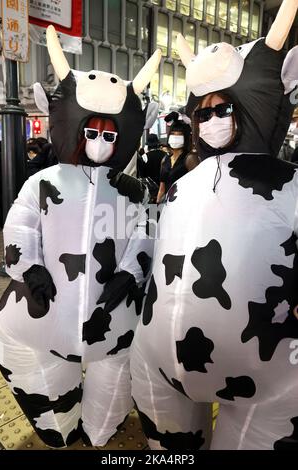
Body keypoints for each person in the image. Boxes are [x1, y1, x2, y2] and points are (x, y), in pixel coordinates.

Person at [131, 0, 298, 450]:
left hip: (270, 372)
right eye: (202, 113)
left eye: (223, 109)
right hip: (158, 364)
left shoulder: (290, 185)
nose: (210, 122)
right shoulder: (184, 184)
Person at [0, 25, 161, 448]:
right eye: (92, 132)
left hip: (116, 319)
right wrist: (29, 269)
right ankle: (60, 428)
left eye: (110, 135)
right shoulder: (44, 181)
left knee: (112, 391)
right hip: (45, 313)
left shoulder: (132, 189)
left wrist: (131, 273)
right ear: (78, 130)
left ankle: (101, 430)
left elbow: (147, 231)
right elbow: (20, 226)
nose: (101, 142)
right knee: (48, 389)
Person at [156, 112, 191, 203]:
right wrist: (156, 207)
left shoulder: (190, 159)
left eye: (179, 135)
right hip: (167, 205)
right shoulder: (165, 160)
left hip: (184, 204)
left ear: (185, 137)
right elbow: (162, 188)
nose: (175, 137)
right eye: (173, 134)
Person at [137, 133, 167, 202]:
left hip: (150, 191)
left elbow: (142, 175)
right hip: (164, 189)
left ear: (148, 145)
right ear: (157, 144)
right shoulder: (165, 155)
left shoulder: (144, 157)